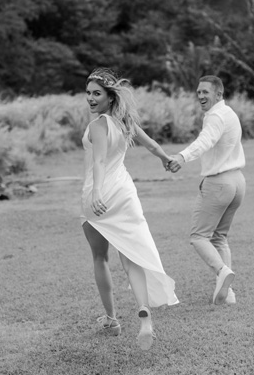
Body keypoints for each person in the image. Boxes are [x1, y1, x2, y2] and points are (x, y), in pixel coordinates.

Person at [81, 68, 178, 351]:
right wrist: (166, 158)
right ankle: (144, 314)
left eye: (96, 93)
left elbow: (98, 162)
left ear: (110, 97)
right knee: (131, 256)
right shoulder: (125, 123)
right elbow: (151, 145)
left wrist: (98, 191)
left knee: (100, 257)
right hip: (125, 193)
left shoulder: (99, 125)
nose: (90, 98)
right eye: (87, 93)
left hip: (99, 194)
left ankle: (111, 320)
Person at [168, 75, 246, 306]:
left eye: (206, 92)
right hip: (238, 182)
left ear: (218, 94)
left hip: (220, 184)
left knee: (198, 237)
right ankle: (227, 294)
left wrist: (182, 157)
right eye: (198, 91)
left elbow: (205, 141)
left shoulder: (215, 117)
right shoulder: (229, 113)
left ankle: (223, 272)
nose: (201, 95)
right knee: (219, 237)